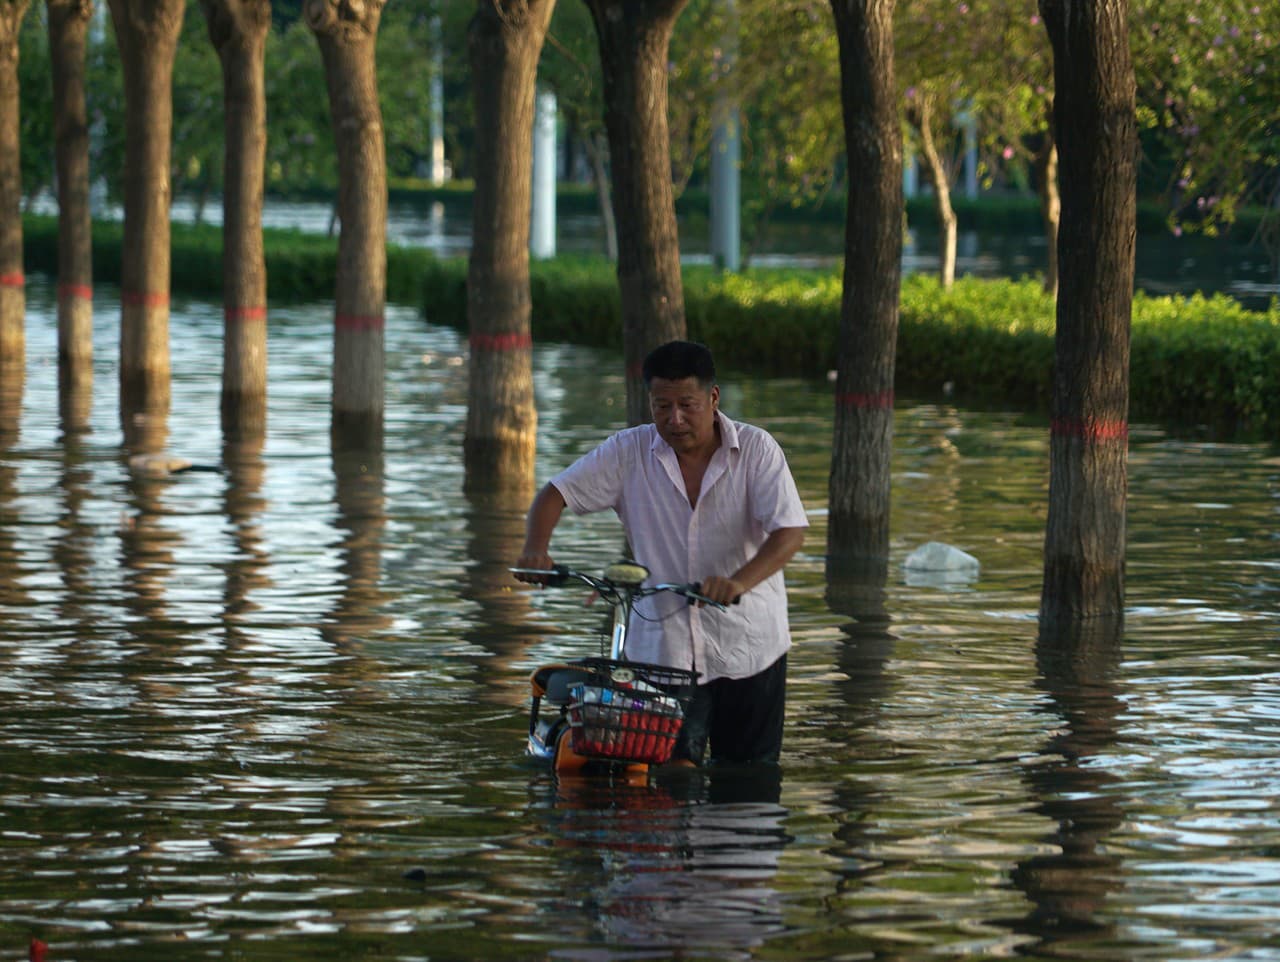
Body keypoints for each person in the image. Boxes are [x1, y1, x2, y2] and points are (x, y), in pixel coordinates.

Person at [514, 340, 808, 766]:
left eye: (687, 404)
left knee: (749, 780)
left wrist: (737, 582)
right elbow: (554, 494)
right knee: (663, 778)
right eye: (661, 406)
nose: (675, 419)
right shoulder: (627, 451)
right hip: (661, 654)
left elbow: (789, 532)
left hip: (749, 646)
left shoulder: (758, 450)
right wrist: (535, 551)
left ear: (713, 397)